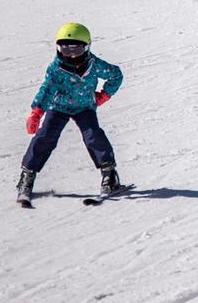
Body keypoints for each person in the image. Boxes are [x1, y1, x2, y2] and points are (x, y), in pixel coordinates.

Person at [17, 22, 125, 205]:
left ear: (87, 47)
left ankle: (109, 175)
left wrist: (104, 95)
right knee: (45, 137)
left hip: (85, 107)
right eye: (66, 50)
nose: (72, 54)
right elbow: (46, 90)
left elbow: (116, 75)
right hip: (58, 107)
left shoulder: (94, 65)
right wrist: (36, 112)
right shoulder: (56, 69)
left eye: (77, 49)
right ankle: (27, 176)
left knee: (93, 136)